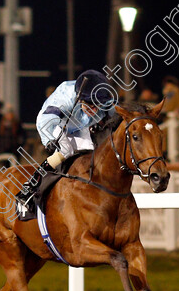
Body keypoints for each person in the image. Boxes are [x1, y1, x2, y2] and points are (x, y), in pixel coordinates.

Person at [16, 69, 116, 215]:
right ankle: (29, 189)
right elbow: (45, 121)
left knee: (90, 152)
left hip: (77, 125)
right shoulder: (65, 98)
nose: (94, 110)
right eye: (90, 105)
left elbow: (118, 115)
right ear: (80, 99)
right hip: (52, 122)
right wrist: (50, 140)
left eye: (97, 106)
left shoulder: (105, 100)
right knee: (66, 151)